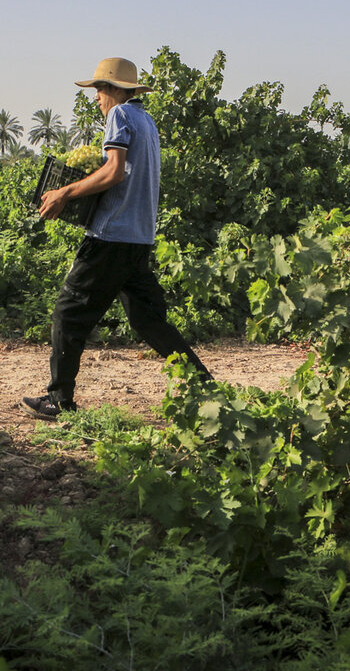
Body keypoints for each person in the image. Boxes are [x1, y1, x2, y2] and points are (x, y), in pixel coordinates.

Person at [21, 57, 211, 421]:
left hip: (110, 235)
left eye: (98, 89)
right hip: (138, 237)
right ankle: (208, 390)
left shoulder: (120, 116)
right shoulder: (147, 121)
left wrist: (66, 192)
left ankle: (59, 400)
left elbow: (114, 171)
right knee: (148, 320)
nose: (95, 97)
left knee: (69, 313)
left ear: (113, 90)